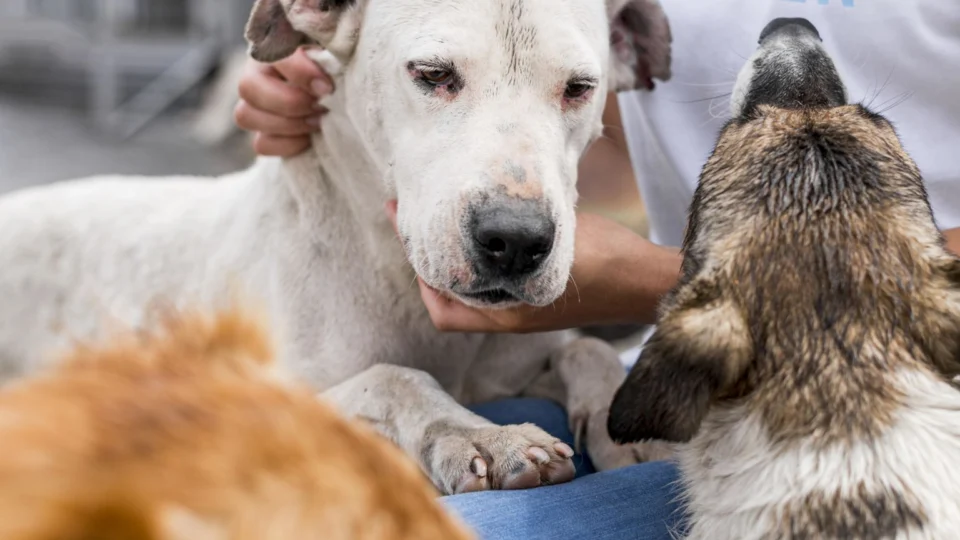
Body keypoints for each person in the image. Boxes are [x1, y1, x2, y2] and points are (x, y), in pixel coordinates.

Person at [233, 0, 960, 537]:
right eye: (434, 76)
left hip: (920, 388)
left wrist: (652, 279)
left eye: (577, 87)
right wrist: (336, 93)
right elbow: (596, 148)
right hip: (688, 377)